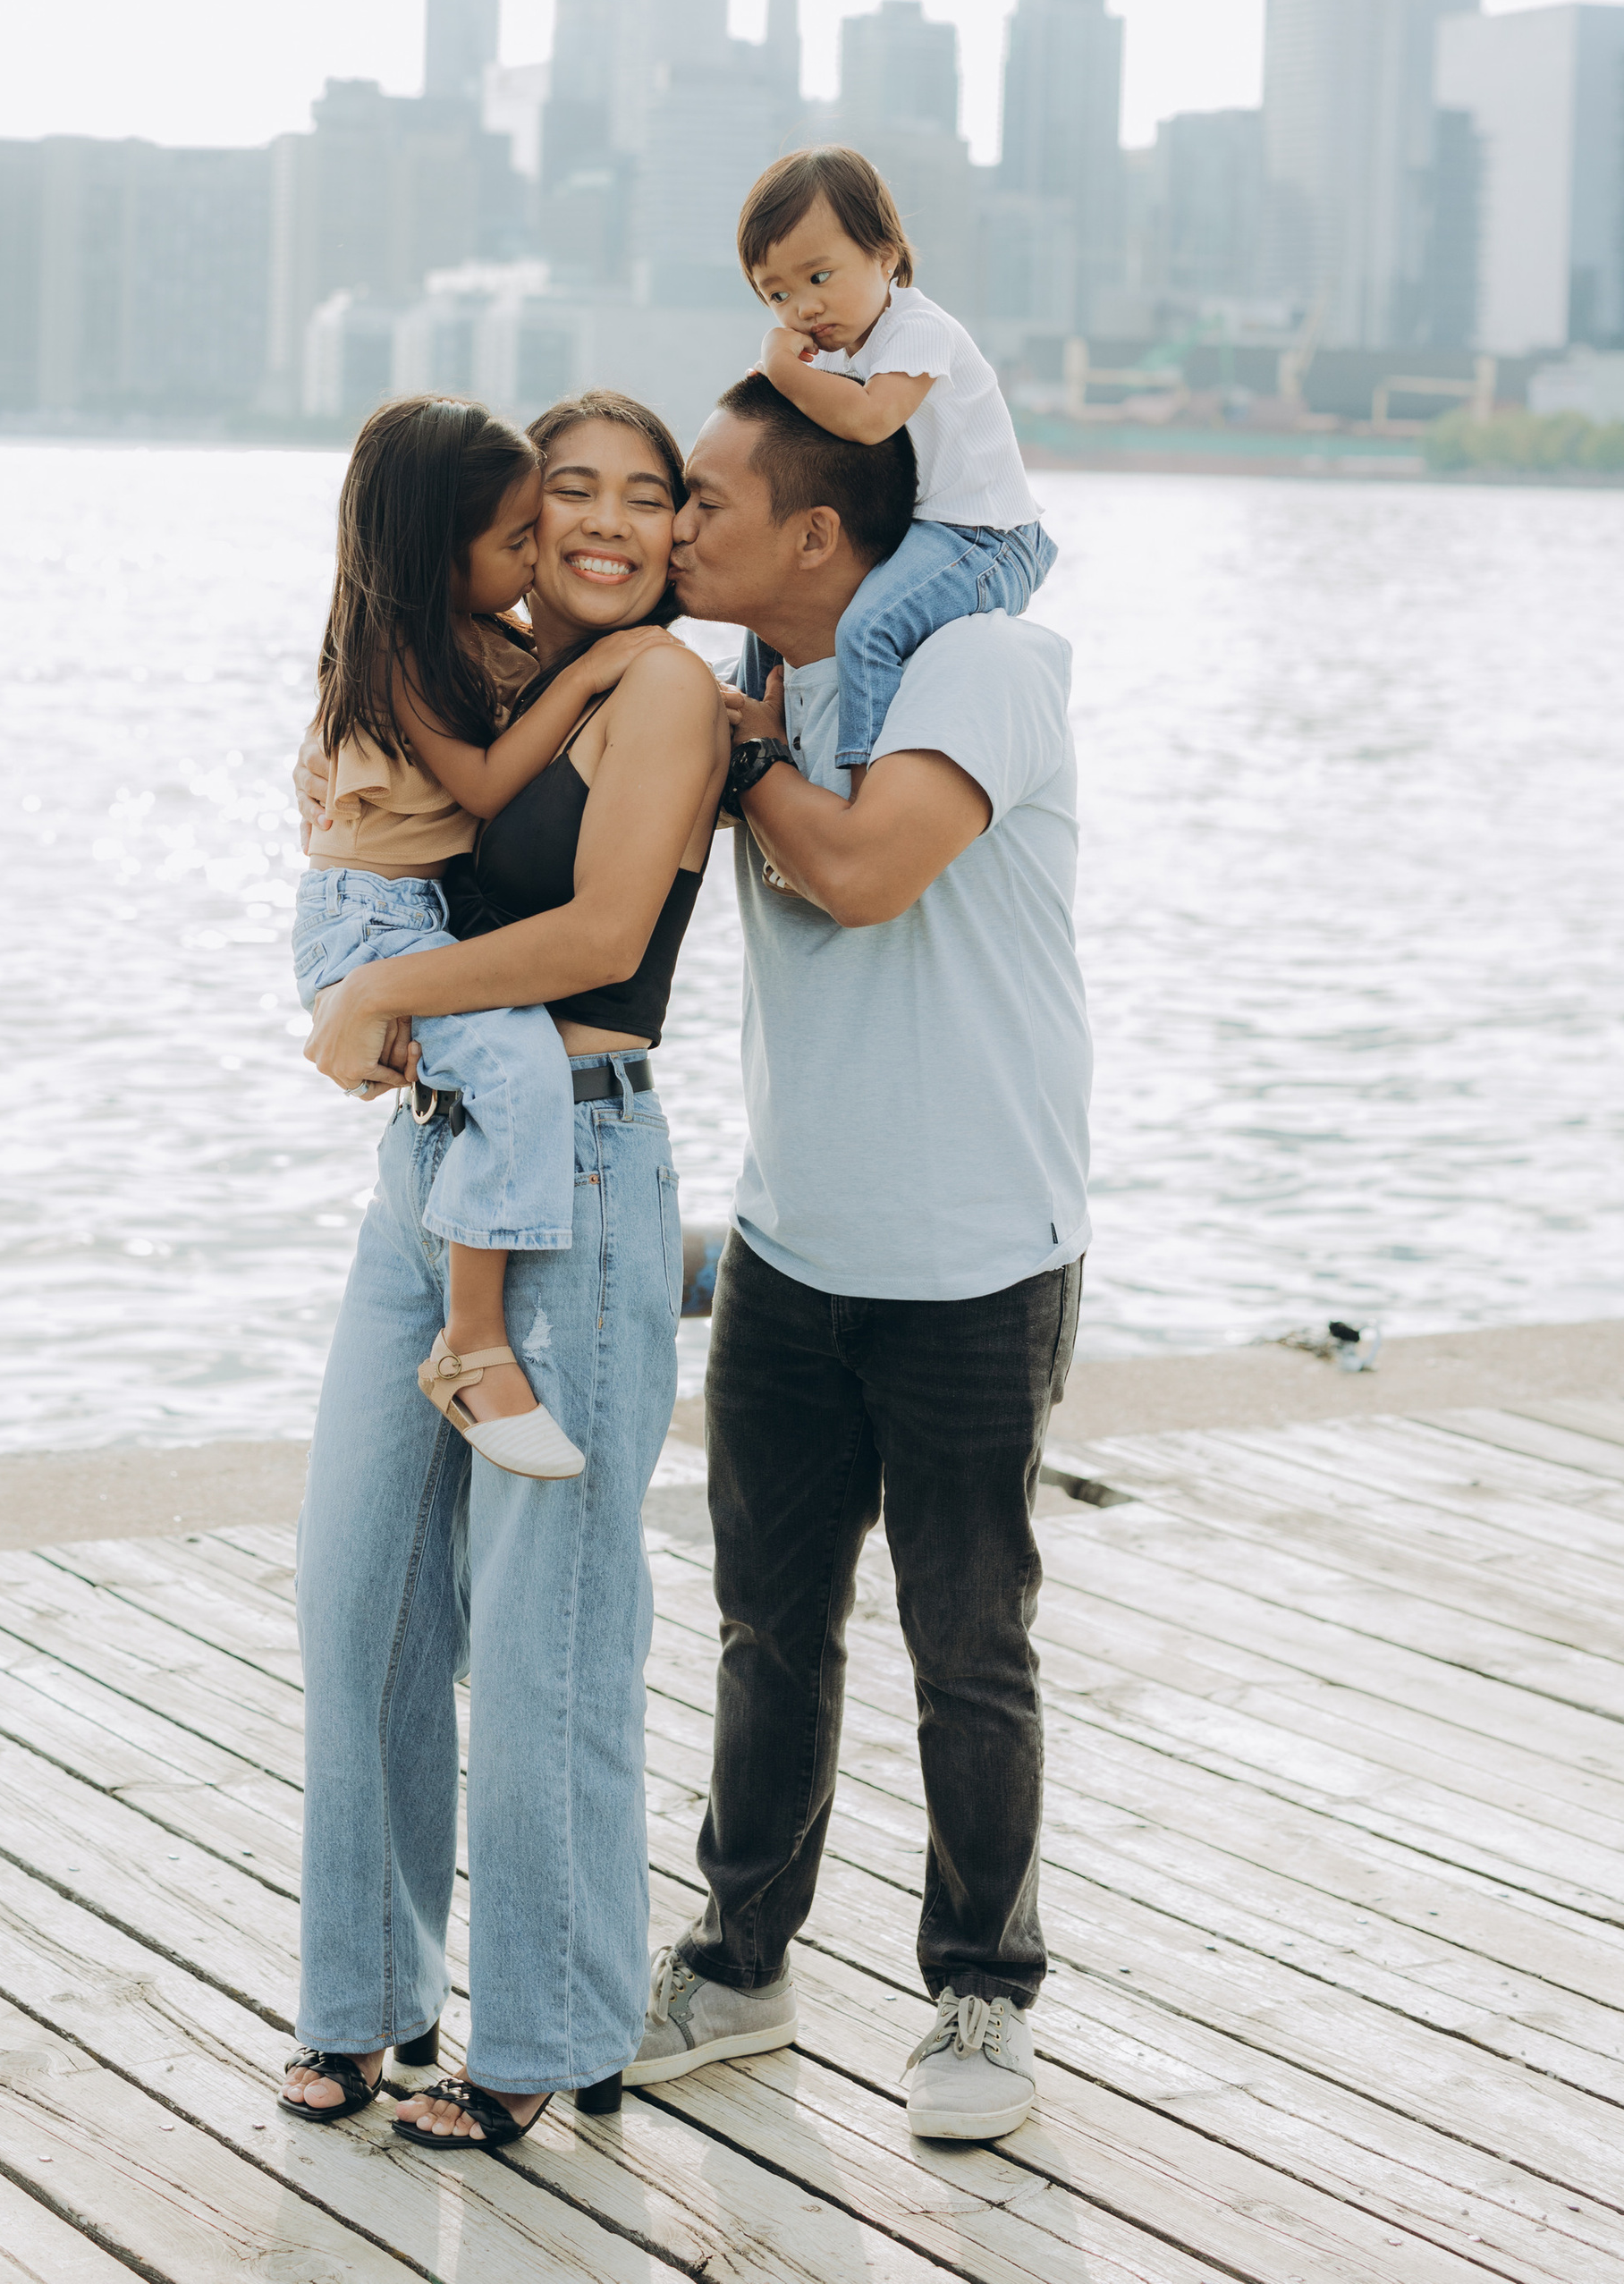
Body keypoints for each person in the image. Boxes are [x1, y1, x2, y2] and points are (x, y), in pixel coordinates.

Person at [637, 370, 1089, 2144]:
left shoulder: (979, 660)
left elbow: (866, 873)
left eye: (703, 504)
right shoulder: (745, 683)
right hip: (788, 1248)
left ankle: (980, 1999)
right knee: (767, 1627)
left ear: (817, 535)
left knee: (966, 1643)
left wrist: (740, 760)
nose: (675, 530)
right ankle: (740, 1968)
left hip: (975, 1250)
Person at [283, 393, 725, 2152]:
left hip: (588, 1157)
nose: (602, 525)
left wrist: (380, 997)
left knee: (545, 1634)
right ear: (516, 524)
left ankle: (541, 2037)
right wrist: (365, 995)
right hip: (445, 1162)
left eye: (644, 497)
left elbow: (604, 937)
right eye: (568, 495)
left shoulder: (661, 688)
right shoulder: (480, 668)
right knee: (359, 1600)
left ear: (684, 528)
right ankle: (358, 2007)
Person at [299, 395, 656, 1477]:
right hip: (372, 918)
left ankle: (474, 1323)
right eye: (512, 540)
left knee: (502, 1069)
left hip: (416, 913)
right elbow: (498, 782)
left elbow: (578, 756)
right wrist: (601, 668)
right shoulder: (405, 658)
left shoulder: (476, 642)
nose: (530, 554)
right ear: (437, 553)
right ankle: (473, 1341)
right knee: (511, 1071)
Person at [740, 145, 1057, 768]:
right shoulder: (824, 357)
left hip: (986, 538)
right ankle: (756, 735)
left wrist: (779, 365)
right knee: (769, 605)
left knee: (869, 630)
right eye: (775, 295)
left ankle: (865, 780)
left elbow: (868, 418)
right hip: (915, 534)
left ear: (885, 256)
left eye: (818, 277)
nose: (802, 308)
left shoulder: (918, 328)